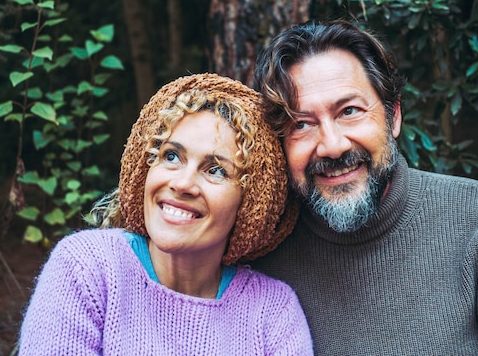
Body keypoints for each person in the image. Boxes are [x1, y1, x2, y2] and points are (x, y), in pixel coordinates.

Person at [251, 19, 478, 355]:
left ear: (394, 115)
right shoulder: (261, 251)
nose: (332, 145)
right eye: (301, 124)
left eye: (350, 111)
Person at [18, 73, 313, 355]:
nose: (182, 184)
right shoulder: (88, 269)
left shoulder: (273, 313)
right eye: (171, 156)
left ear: (250, 204)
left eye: (215, 170)